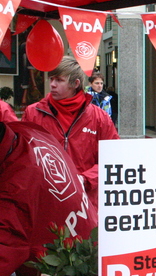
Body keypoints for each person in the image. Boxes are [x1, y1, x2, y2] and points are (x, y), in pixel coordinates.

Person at [0, 120, 97, 276]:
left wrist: (89, 178)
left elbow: (5, 249)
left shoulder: (15, 192)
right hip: (85, 244)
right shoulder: (27, 130)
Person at [22, 57, 119, 209]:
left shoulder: (99, 118)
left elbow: (113, 158)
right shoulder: (33, 113)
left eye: (59, 80)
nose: (52, 84)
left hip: (85, 202)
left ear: (75, 84)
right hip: (43, 200)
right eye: (51, 79)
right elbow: (22, 156)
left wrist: (85, 180)